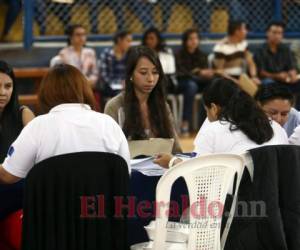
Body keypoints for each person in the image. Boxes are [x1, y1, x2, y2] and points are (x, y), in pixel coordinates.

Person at [0, 64, 130, 184]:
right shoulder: (109, 124)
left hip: (53, 208)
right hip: (101, 207)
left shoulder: (38, 126)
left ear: (46, 93)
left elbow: (7, 175)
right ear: (84, 90)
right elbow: (126, 173)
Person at [154, 78, 288, 168]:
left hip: (236, 205)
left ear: (213, 108)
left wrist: (172, 161)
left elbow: (199, 176)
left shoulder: (213, 130)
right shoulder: (277, 128)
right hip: (276, 203)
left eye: (206, 111)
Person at [104, 46, 182, 153]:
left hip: (161, 168)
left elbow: (176, 149)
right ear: (131, 74)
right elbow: (109, 151)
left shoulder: (162, 106)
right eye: (143, 72)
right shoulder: (114, 106)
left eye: (155, 72)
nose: (150, 79)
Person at [0, 60, 35, 219]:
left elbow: (39, 154)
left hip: (18, 184)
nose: (3, 92)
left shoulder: (24, 114)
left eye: (8, 86)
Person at [175, 28, 215, 134]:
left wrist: (207, 73)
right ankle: (185, 122)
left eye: (196, 38)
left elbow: (205, 72)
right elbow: (180, 73)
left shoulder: (202, 55)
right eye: (191, 39)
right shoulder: (178, 55)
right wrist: (197, 72)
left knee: (213, 85)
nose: (194, 41)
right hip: (183, 83)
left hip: (199, 82)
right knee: (191, 86)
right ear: (185, 41)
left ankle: (206, 121)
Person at [55, 24, 99, 89]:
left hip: (87, 86)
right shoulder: (64, 53)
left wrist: (91, 81)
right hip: (70, 87)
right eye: (78, 35)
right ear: (71, 37)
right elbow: (65, 74)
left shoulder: (90, 52)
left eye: (83, 35)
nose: (81, 37)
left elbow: (95, 72)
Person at [142, 27, 177, 92]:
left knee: (160, 83)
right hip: (147, 78)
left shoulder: (166, 52)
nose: (148, 41)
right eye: (147, 38)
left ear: (158, 40)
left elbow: (170, 70)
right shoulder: (141, 53)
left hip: (166, 79)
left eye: (152, 38)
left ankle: (159, 102)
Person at [99, 30, 132, 97]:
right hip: (110, 86)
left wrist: (127, 83)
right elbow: (104, 75)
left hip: (126, 86)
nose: (130, 44)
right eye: (128, 41)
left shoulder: (130, 55)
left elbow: (132, 73)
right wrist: (117, 84)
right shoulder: (106, 54)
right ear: (119, 40)